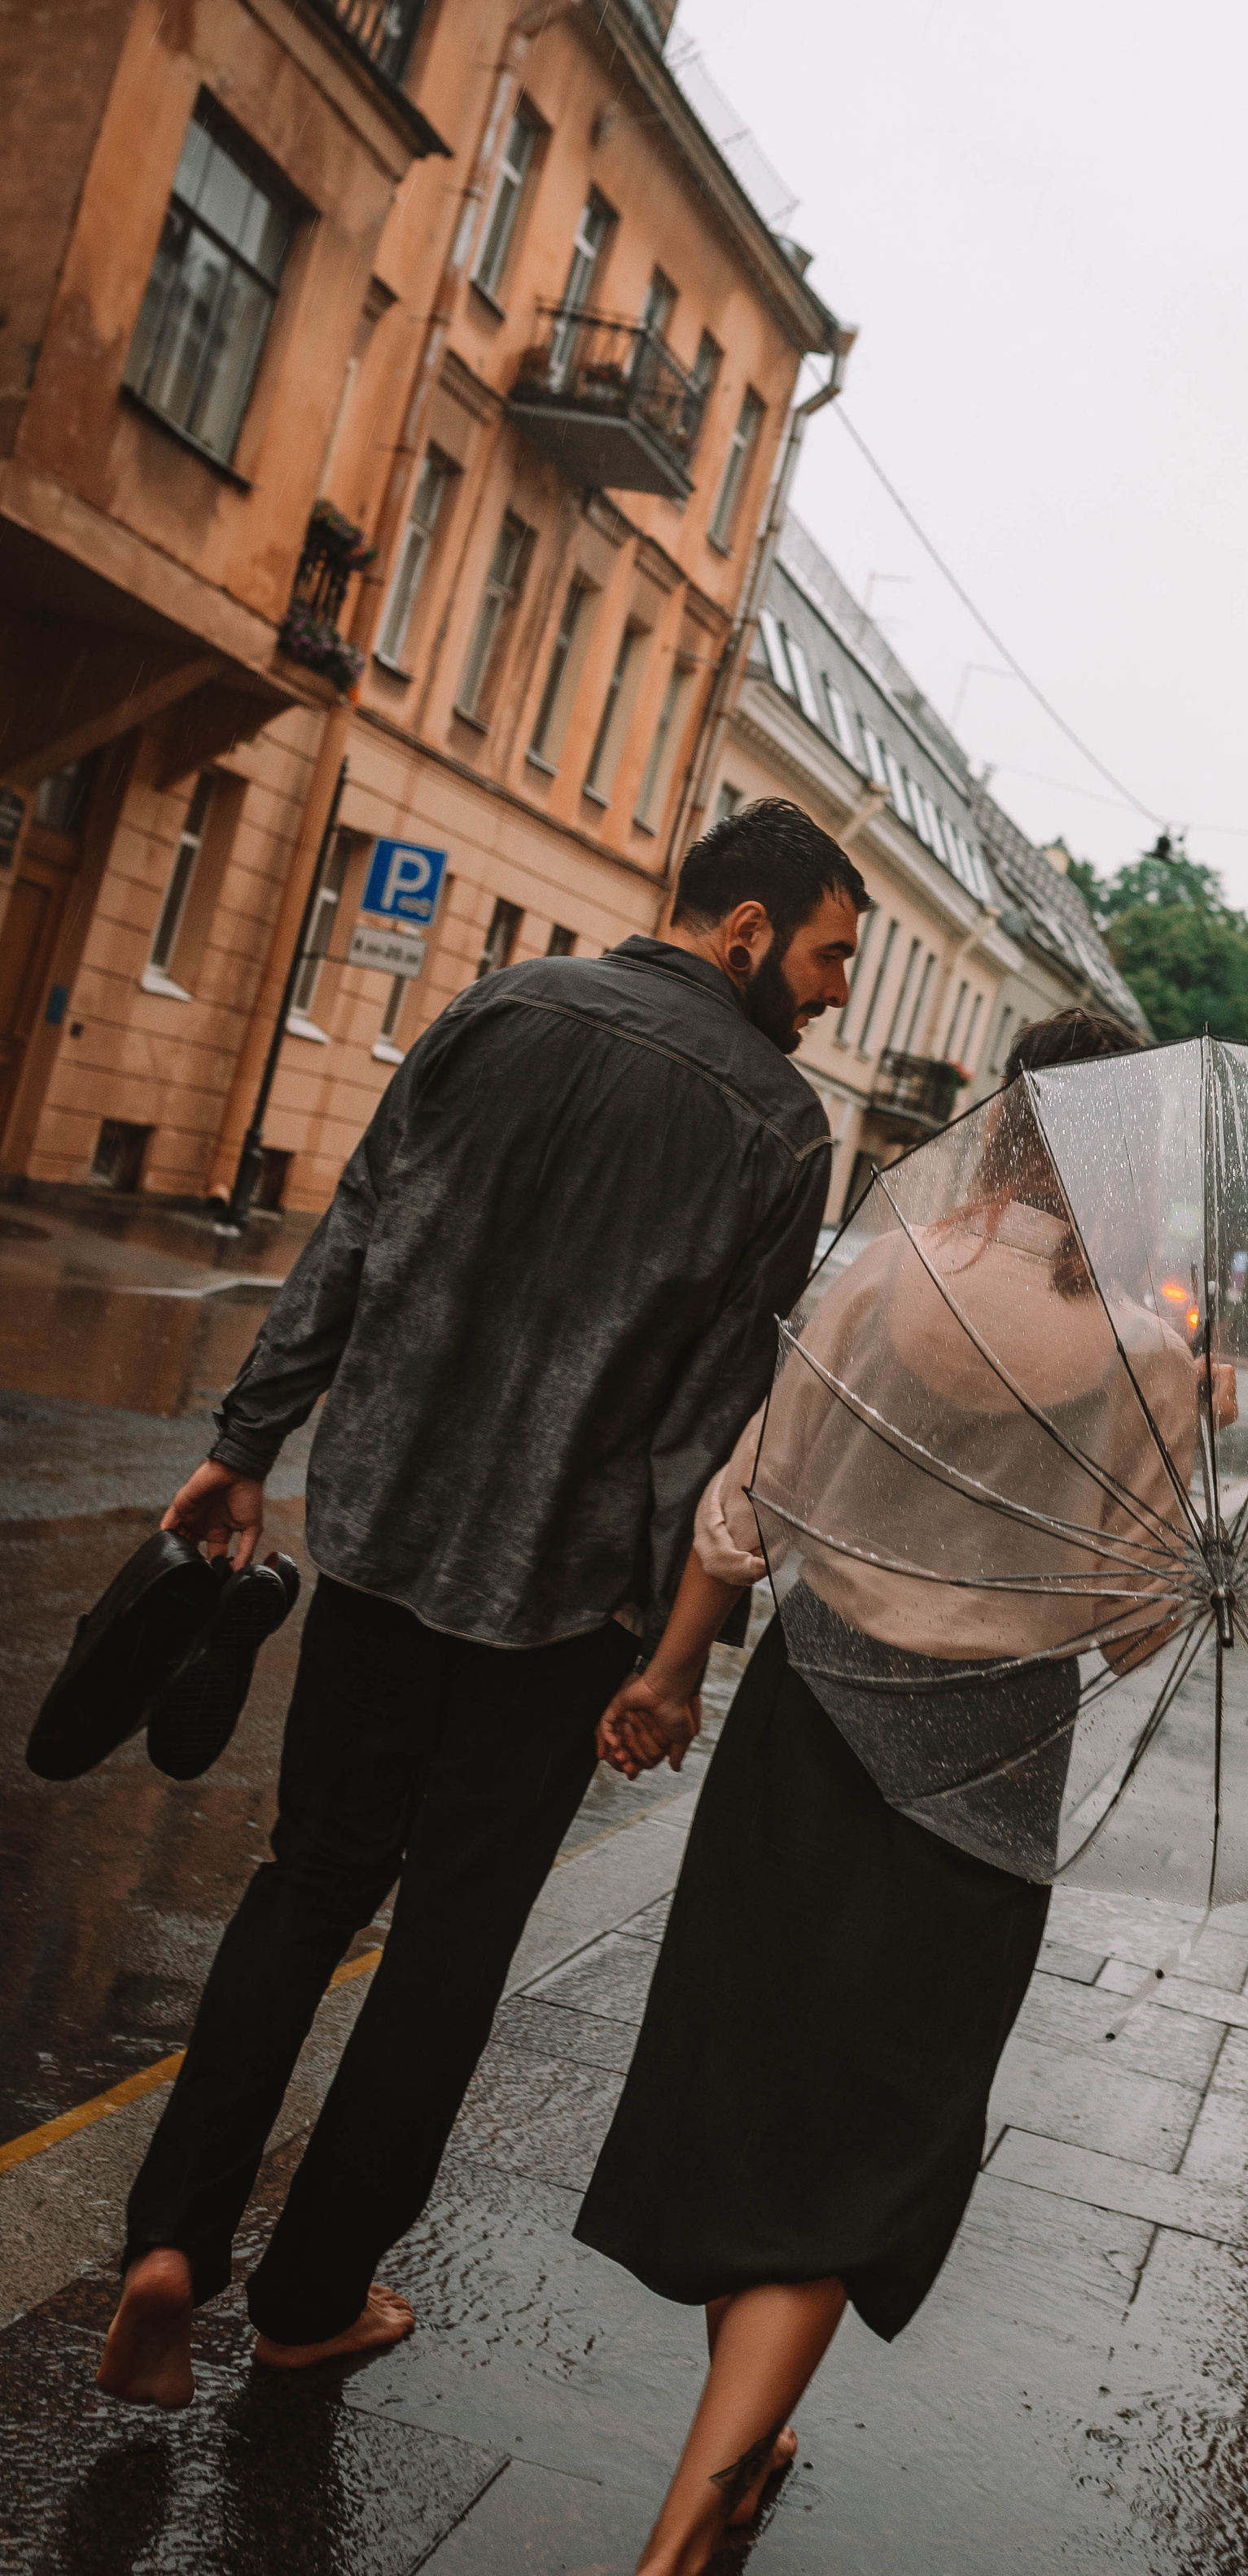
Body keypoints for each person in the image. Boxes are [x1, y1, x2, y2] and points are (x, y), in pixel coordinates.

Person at [95, 798, 868, 2412]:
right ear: (743, 932)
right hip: (559, 1604)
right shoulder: (779, 1125)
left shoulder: (496, 1007)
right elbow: (715, 1424)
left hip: (382, 1540)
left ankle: (168, 2242)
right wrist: (675, 1651)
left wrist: (247, 1450)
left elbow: (353, 1240)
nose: (831, 992)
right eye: (823, 956)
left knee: (304, 1889)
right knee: (447, 1949)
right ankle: (308, 2297)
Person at [571, 1008, 1208, 2576]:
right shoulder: (1145, 1358)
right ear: (1130, 1154)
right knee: (862, 2149)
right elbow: (1138, 1625)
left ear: (998, 1124)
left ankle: (732, 2453)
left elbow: (749, 1496)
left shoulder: (874, 1275)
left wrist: (665, 1667)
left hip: (798, 1734)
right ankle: (670, 2546)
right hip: (981, 1776)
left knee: (766, 2091)